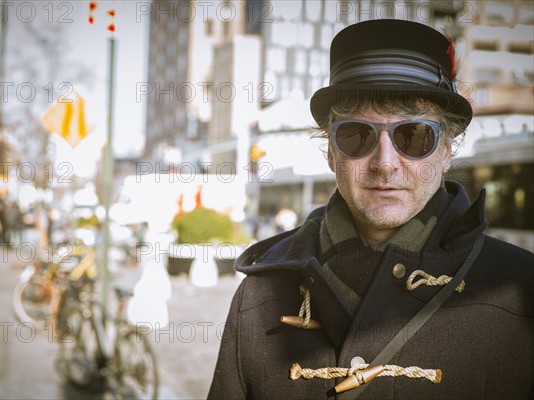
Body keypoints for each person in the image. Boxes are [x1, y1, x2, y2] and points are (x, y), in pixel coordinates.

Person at [208, 19, 533, 399]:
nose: (385, 163)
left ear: (445, 152)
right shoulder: (258, 297)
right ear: (331, 152)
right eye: (356, 134)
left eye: (414, 136)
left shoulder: (521, 292)